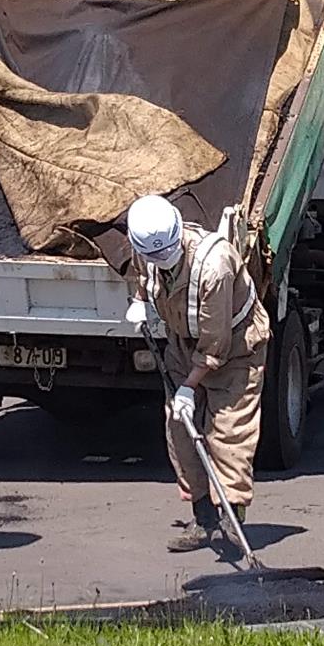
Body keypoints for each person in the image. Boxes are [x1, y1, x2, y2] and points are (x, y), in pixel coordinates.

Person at [124, 195, 271, 553]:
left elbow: (215, 344)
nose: (160, 259)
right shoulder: (143, 248)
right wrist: (141, 301)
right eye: (153, 255)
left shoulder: (215, 265)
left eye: (165, 252)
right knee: (181, 430)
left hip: (236, 347)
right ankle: (204, 519)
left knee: (229, 432)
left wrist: (189, 387)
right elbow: (143, 275)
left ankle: (232, 520)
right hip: (182, 344)